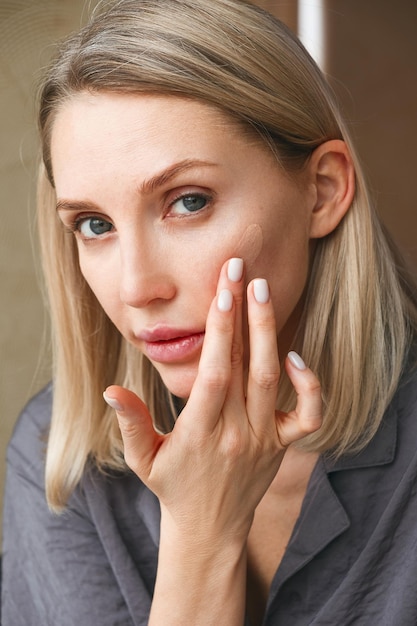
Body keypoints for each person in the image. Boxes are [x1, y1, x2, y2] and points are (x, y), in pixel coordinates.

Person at [2, 0, 417, 623]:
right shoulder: (57, 453)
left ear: (322, 191)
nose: (138, 288)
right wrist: (203, 532)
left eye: (188, 202)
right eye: (94, 224)